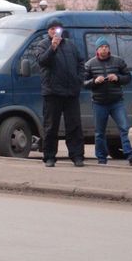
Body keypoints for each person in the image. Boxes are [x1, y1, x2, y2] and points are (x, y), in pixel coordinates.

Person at [83, 36, 132, 166]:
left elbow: (128, 77)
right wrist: (94, 81)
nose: (104, 49)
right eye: (101, 47)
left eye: (106, 47)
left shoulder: (118, 61)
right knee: (100, 131)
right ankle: (101, 158)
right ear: (97, 50)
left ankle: (131, 155)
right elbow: (83, 83)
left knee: (124, 128)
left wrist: (117, 77)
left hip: (116, 101)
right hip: (99, 102)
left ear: (109, 48)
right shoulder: (90, 64)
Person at [34, 18, 85, 167]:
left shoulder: (70, 45)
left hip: (71, 92)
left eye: (57, 29)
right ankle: (49, 156)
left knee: (74, 126)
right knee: (51, 126)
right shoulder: (42, 45)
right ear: (48, 31)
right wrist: (53, 47)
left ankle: (77, 156)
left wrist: (79, 79)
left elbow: (81, 62)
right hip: (52, 92)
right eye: (52, 29)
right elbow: (42, 61)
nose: (54, 31)